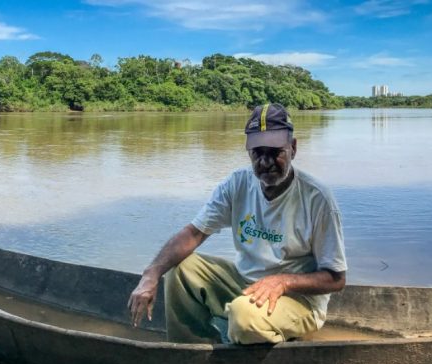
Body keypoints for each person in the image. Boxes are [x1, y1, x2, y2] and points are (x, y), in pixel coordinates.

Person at [127, 103, 347, 344]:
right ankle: (191, 352)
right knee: (180, 268)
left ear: (293, 149)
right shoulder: (237, 184)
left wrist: (283, 281)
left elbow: (336, 279)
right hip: (244, 284)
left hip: (298, 299)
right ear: (248, 152)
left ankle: (261, 335)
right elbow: (193, 233)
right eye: (258, 153)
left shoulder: (317, 199)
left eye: (275, 152)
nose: (265, 162)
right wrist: (151, 274)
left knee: (243, 317)